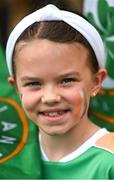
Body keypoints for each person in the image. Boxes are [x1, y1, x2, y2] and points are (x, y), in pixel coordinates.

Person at [5, 4, 114, 179]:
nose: (50, 98)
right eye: (34, 83)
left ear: (96, 82)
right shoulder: (9, 158)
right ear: (16, 87)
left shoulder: (109, 160)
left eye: (66, 80)